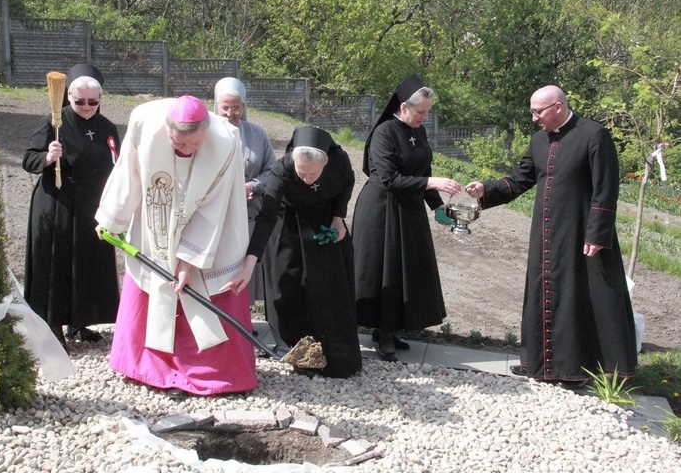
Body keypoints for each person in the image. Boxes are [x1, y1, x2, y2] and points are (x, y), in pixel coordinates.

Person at [465, 85, 637, 386]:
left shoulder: (594, 135)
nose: (534, 118)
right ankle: (541, 364)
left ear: (557, 107)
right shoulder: (538, 141)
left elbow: (606, 189)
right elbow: (521, 179)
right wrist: (486, 190)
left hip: (582, 233)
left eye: (538, 112)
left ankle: (577, 369)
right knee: (545, 292)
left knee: (579, 297)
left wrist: (597, 234)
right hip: (545, 234)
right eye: (532, 111)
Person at [95, 95, 258, 397]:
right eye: (177, 143)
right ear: (167, 130)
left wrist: (189, 259)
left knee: (196, 282)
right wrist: (112, 219)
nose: (184, 149)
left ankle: (214, 372)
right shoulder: (144, 121)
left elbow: (215, 205)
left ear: (205, 132)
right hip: (157, 221)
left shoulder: (225, 139)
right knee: (153, 283)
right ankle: (151, 368)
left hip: (209, 226)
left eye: (193, 145)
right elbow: (128, 170)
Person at [223, 125, 362, 378]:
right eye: (302, 173)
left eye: (313, 174)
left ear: (326, 163)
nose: (306, 179)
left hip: (325, 222)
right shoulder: (283, 170)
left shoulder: (339, 161)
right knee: (287, 286)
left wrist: (339, 217)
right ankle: (297, 348)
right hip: (288, 224)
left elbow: (347, 183)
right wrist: (250, 261)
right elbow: (266, 217)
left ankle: (334, 351)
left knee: (327, 287)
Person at [352, 74, 461, 362]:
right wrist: (433, 184)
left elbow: (422, 172)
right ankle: (382, 331)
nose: (425, 117)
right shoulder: (384, 133)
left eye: (427, 112)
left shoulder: (419, 132)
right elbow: (389, 178)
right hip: (382, 211)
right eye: (420, 112)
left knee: (406, 271)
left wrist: (437, 207)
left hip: (409, 210)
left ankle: (394, 326)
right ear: (403, 107)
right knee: (385, 270)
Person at [23, 63, 120, 347]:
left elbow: (118, 164)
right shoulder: (54, 123)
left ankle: (80, 322)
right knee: (58, 265)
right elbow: (28, 159)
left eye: (93, 101)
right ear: (69, 98)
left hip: (92, 207)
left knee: (87, 265)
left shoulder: (107, 128)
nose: (87, 106)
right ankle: (54, 325)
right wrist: (47, 158)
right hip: (58, 207)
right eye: (80, 101)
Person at [213, 77, 285, 354]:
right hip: (215, 215)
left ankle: (242, 320)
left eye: (236, 108)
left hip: (248, 214)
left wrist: (252, 186)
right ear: (216, 105)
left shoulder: (257, 134)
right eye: (225, 108)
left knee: (244, 269)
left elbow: (272, 171)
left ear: (244, 106)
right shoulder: (205, 131)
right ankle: (218, 320)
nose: (230, 114)